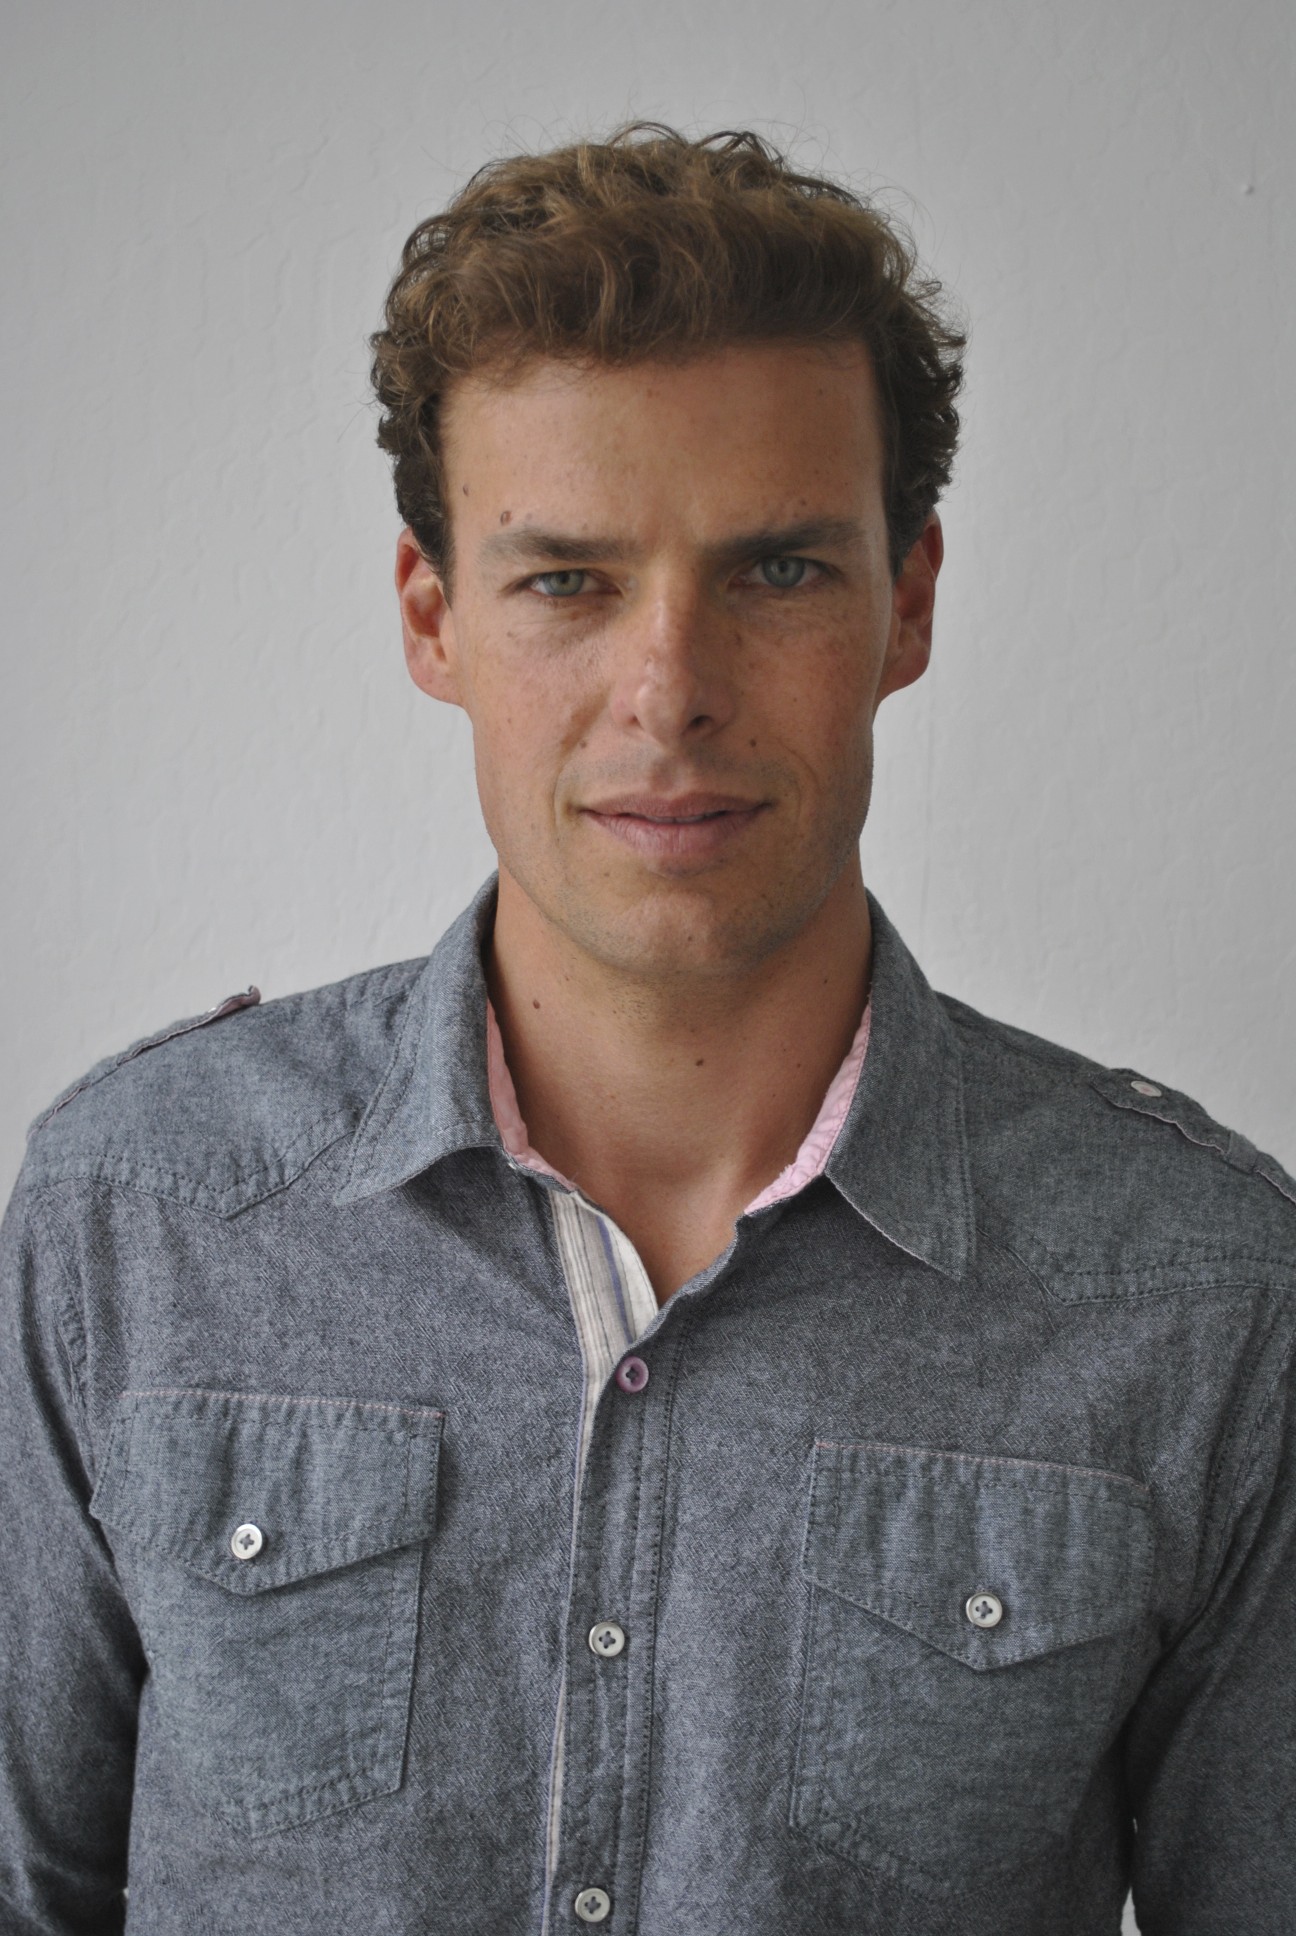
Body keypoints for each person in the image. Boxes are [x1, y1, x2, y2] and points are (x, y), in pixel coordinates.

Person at [1, 124, 1292, 1936]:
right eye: (567, 581)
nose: (669, 692)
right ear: (433, 618)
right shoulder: (136, 1217)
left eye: (778, 572)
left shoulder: (1199, 1292)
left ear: (909, 602)